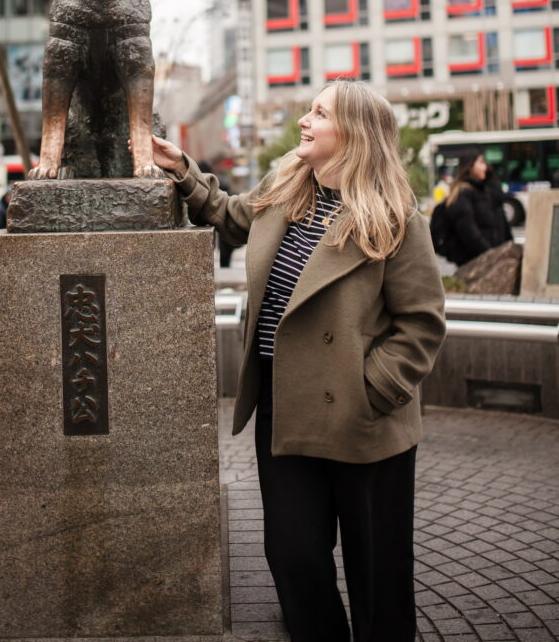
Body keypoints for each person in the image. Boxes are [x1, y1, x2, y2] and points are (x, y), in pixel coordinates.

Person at [149, 79, 446, 642]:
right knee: (293, 556)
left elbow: (421, 323)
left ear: (353, 133)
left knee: (378, 575)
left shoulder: (395, 217)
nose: (304, 122)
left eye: (319, 114)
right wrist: (181, 169)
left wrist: (372, 388)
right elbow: (232, 216)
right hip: (285, 409)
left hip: (363, 422)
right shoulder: (287, 187)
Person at [444, 151, 512, 267]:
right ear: (469, 167)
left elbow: (501, 223)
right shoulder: (463, 193)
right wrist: (489, 254)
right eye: (481, 163)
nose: (485, 167)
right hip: (475, 262)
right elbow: (469, 232)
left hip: (493, 258)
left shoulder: (485, 190)